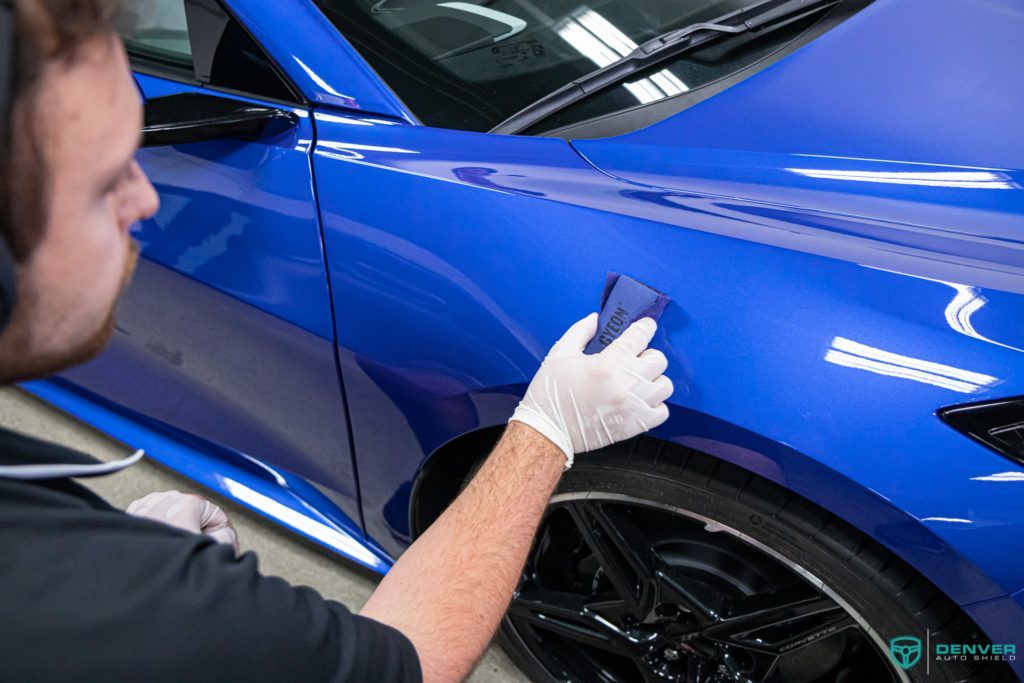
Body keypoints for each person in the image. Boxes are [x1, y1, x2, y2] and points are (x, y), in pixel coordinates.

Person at [0, 1, 673, 681]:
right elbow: (405, 659)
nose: (144, 199)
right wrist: (545, 430)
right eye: (103, 178)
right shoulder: (56, 594)